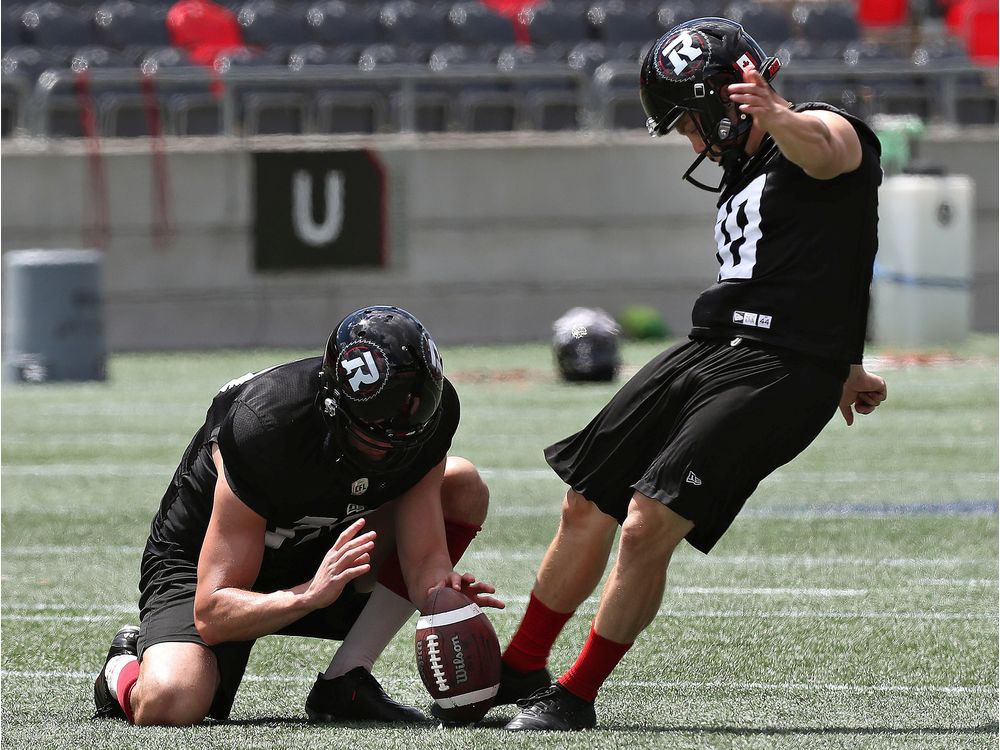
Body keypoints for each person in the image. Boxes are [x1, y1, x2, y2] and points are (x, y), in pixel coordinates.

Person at [498, 17, 888, 731]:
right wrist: (852, 358)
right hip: (714, 347)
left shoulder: (827, 129)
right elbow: (825, 255)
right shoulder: (746, 168)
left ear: (726, 102)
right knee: (586, 501)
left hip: (781, 365)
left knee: (647, 523)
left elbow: (829, 153)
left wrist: (778, 115)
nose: (692, 142)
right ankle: (518, 667)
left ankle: (576, 694)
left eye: (689, 123)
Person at [92, 305, 503, 726]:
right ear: (333, 407)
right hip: (205, 565)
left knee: (461, 485)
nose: (390, 452)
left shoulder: (431, 418)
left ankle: (346, 680)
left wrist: (443, 595)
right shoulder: (266, 426)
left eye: (406, 440)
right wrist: (309, 594)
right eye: (371, 438)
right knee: (171, 701)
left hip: (325, 545)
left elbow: (422, 562)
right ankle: (121, 670)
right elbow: (213, 612)